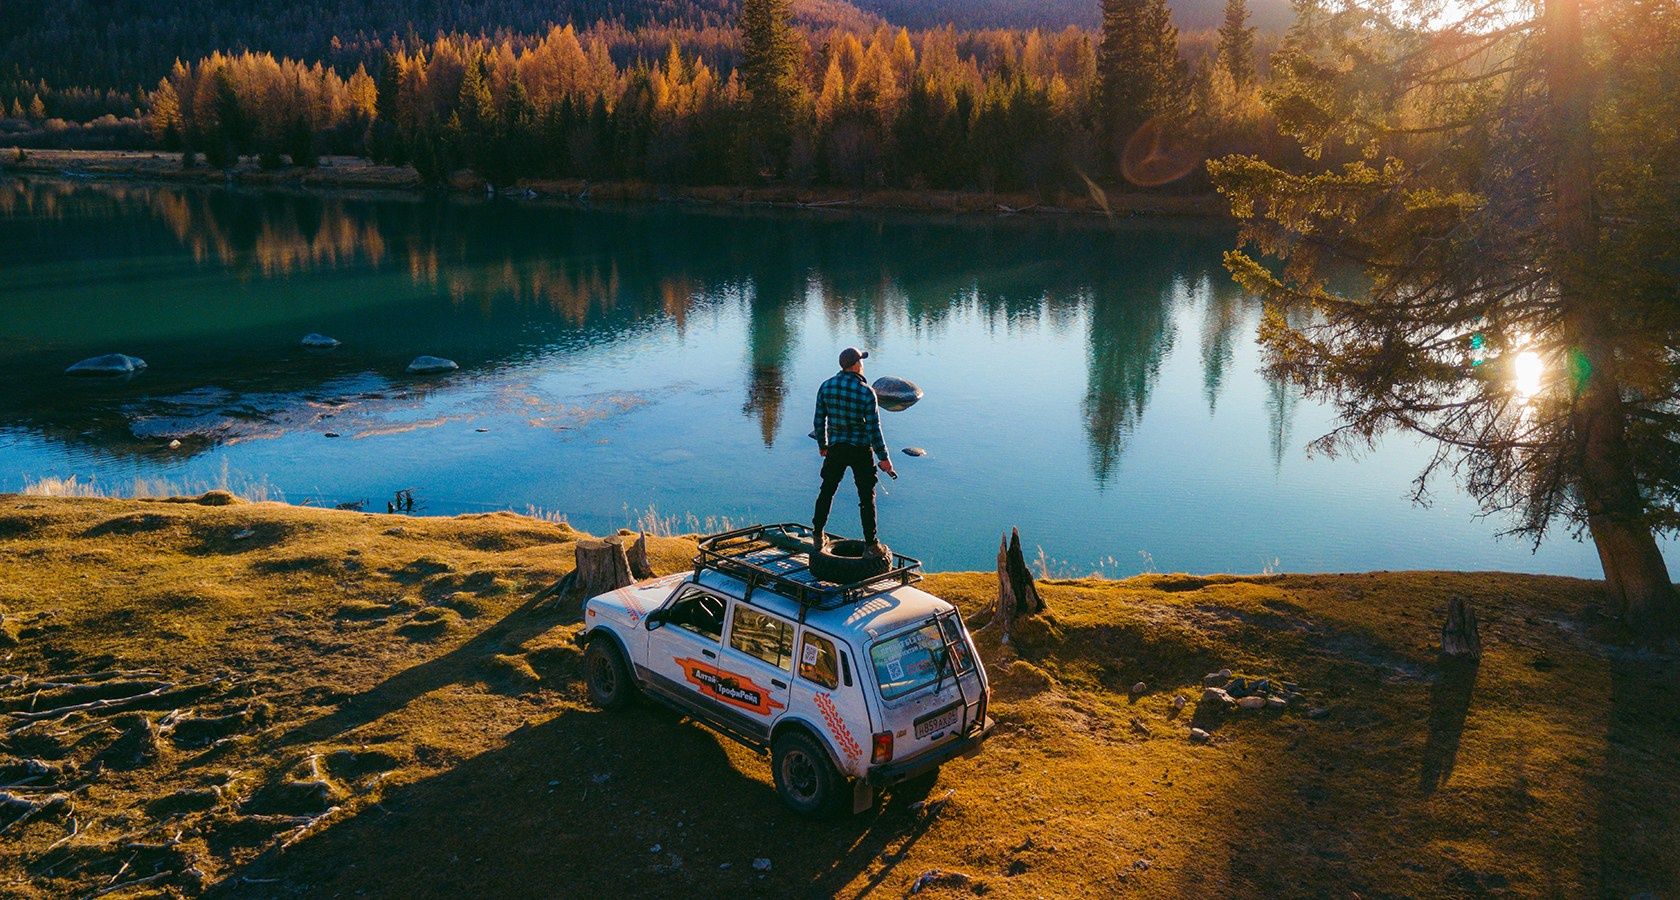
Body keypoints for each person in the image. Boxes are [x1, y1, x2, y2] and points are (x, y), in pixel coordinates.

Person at [811, 347, 895, 550]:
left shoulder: (826, 386)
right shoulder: (866, 392)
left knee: (827, 491)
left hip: (836, 449)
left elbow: (819, 419)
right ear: (856, 365)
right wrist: (884, 458)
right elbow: (874, 429)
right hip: (860, 451)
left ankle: (817, 534)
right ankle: (871, 544)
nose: (863, 365)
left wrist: (823, 445)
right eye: (861, 361)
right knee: (866, 498)